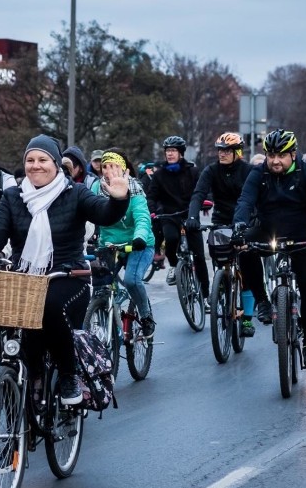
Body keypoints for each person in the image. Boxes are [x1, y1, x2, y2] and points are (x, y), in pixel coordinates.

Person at [0, 134, 130, 406]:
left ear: (55, 163)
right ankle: (33, 374)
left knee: (48, 306)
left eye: (42, 160)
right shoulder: (14, 196)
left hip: (68, 276)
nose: (35, 165)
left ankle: (68, 374)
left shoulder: (74, 193)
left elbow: (104, 213)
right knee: (16, 324)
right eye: (30, 160)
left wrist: (119, 199)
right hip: (26, 277)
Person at [233, 129, 306, 369]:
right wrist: (239, 227)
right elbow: (246, 201)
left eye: (281, 155)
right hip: (268, 231)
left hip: (303, 236)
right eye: (270, 155)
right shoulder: (258, 174)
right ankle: (262, 302)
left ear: (292, 154)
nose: (275, 161)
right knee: (245, 250)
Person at [187, 132, 262, 336]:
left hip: (246, 222)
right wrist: (192, 217)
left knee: (247, 268)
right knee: (220, 258)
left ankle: (247, 319)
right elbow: (198, 194)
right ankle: (220, 284)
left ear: (238, 152)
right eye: (220, 150)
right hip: (221, 221)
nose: (222, 154)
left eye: (227, 150)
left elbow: (259, 197)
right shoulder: (211, 170)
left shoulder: (248, 171)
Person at [90, 148, 157, 338]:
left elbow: (142, 217)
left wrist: (140, 237)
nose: (108, 170)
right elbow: (88, 216)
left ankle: (145, 317)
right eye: (104, 166)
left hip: (138, 244)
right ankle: (109, 315)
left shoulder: (134, 187)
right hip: (109, 244)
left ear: (123, 167)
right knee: (100, 285)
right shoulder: (96, 187)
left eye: (113, 166)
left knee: (131, 280)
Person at [146, 135, 202, 288]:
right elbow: (151, 196)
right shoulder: (159, 175)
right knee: (171, 238)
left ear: (181, 153)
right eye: (168, 151)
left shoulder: (193, 172)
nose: (170, 154)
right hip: (168, 214)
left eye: (173, 150)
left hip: (189, 214)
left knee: (199, 255)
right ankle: (174, 265)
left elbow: (201, 192)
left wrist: (203, 205)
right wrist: (153, 211)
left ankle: (205, 294)